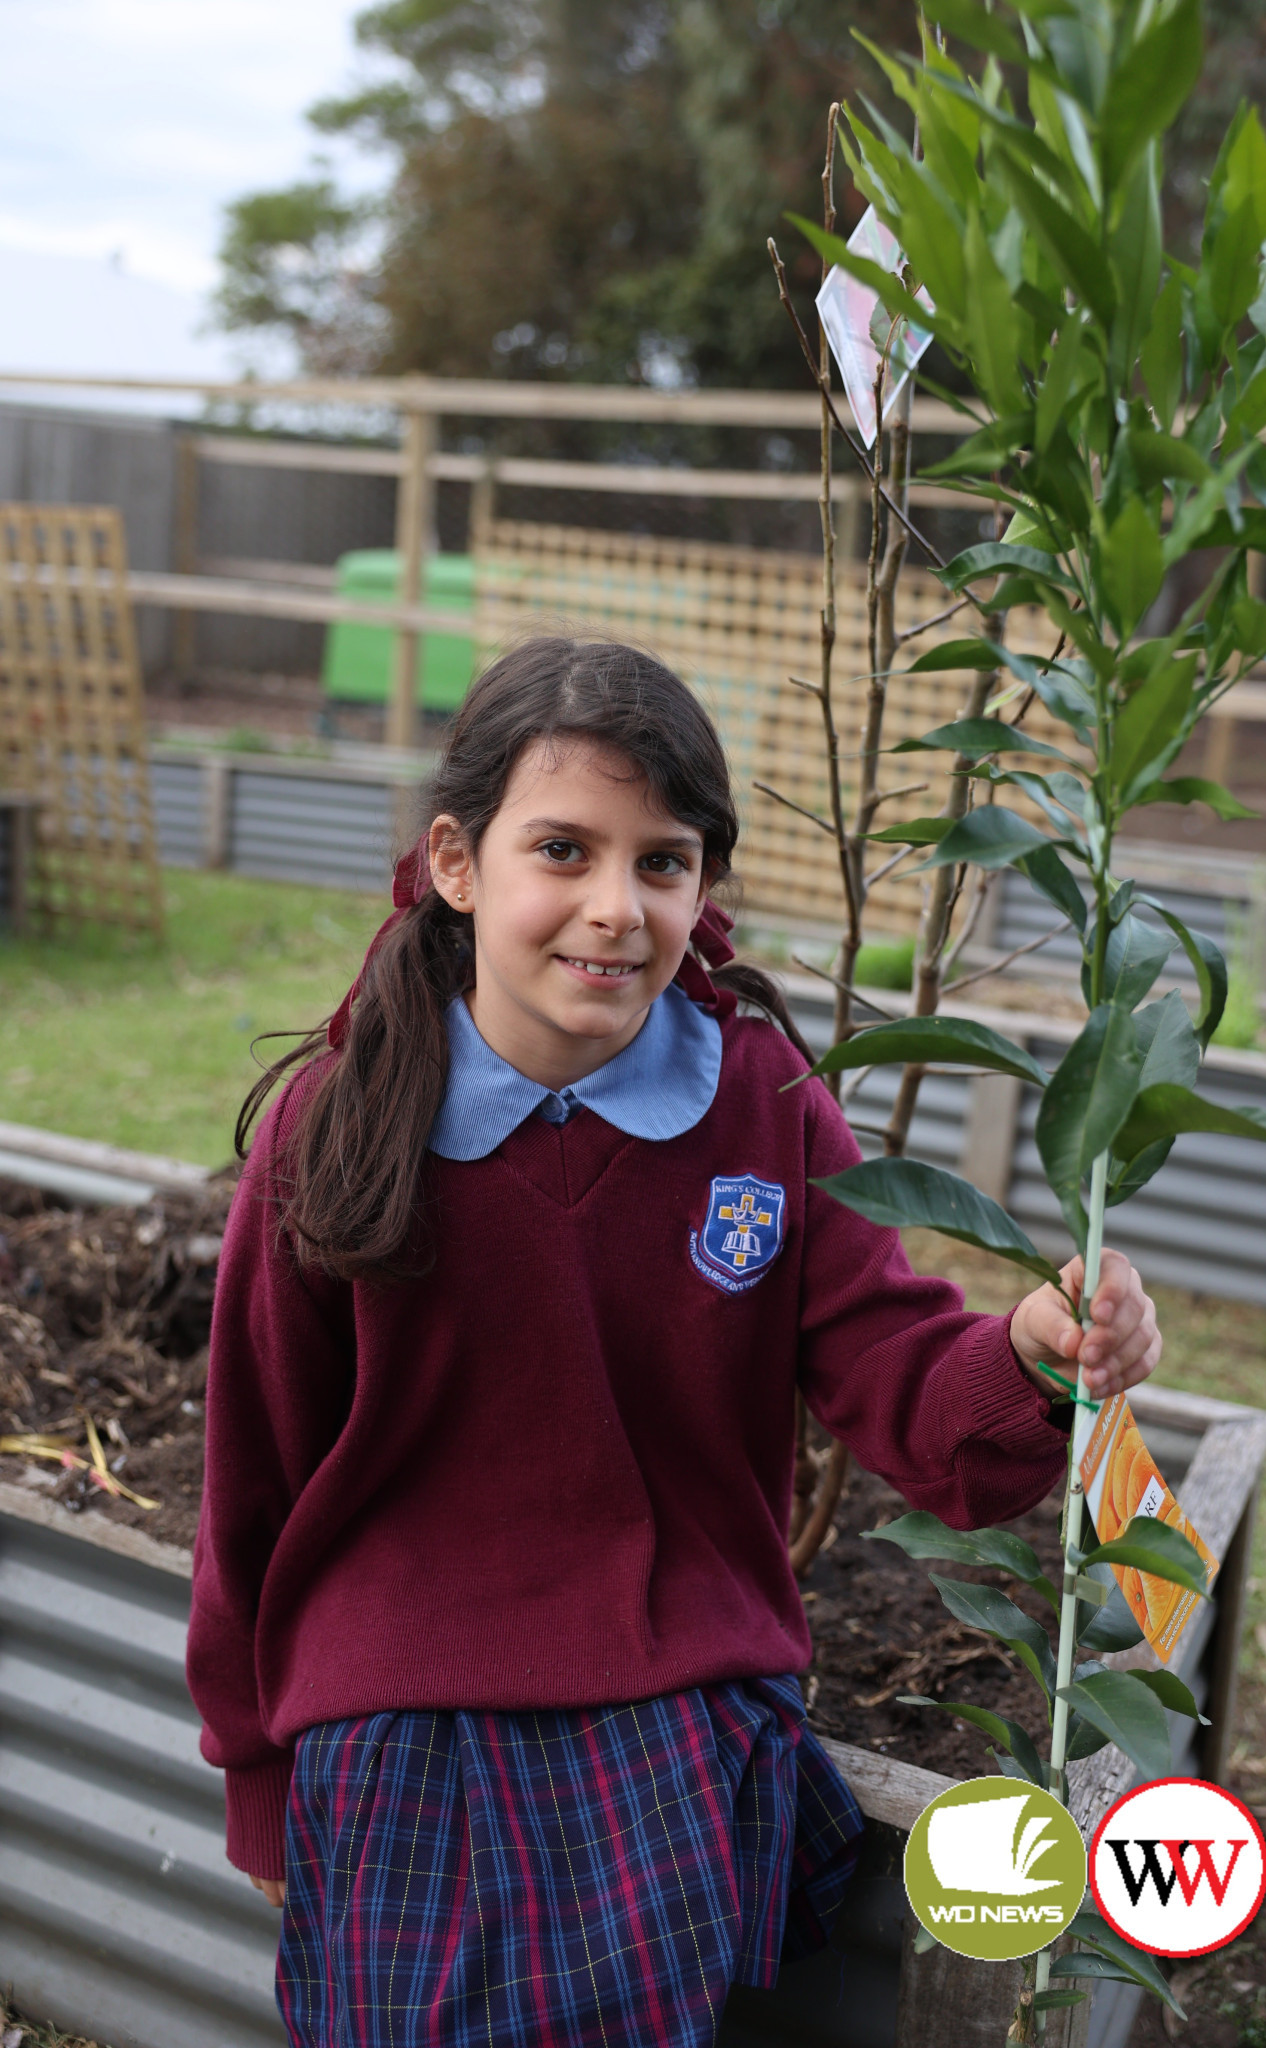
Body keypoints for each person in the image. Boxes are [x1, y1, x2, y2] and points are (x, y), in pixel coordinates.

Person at [187, 636, 1161, 2048]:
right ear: (458, 864)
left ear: (703, 881)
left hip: (667, 1677)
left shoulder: (757, 1102)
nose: (613, 908)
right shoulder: (338, 1123)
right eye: (563, 850)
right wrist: (253, 1772)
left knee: (616, 1966)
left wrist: (1027, 1351)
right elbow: (253, 1479)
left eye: (663, 860)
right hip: (393, 1698)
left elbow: (899, 1383)